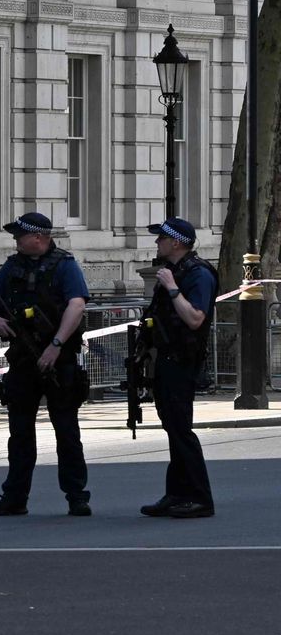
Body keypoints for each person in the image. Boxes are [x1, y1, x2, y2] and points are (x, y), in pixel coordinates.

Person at [0, 212, 92, 517]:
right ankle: (15, 497)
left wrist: (56, 345)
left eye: (20, 236)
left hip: (60, 360)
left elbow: (77, 304)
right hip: (23, 357)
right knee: (19, 432)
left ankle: (77, 496)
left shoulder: (65, 265)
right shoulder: (13, 264)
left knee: (66, 430)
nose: (16, 241)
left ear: (38, 238)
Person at [139, 218, 217, 519]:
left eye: (161, 238)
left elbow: (195, 318)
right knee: (173, 428)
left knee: (181, 430)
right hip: (165, 358)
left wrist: (172, 289)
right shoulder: (175, 271)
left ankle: (200, 498)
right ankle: (176, 494)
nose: (156, 242)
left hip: (183, 361)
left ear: (176, 242)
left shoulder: (198, 274)